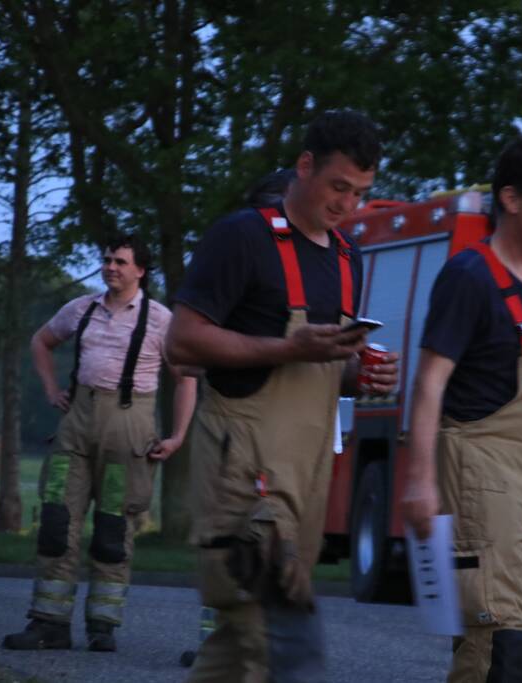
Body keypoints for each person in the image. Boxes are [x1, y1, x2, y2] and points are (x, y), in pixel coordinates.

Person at [165, 110, 399, 682]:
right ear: (304, 167)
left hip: (305, 482)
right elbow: (182, 341)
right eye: (338, 186)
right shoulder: (241, 237)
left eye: (362, 193)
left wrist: (355, 374)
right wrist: (289, 349)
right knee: (289, 652)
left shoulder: (348, 258)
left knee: (234, 651)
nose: (348, 205)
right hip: (246, 479)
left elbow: (319, 364)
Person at [402, 133, 522, 683]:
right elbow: (429, 382)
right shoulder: (469, 276)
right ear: (511, 199)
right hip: (484, 469)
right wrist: (419, 482)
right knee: (501, 639)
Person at [3, 233, 198, 652]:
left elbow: (187, 379)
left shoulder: (162, 319)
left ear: (141, 271)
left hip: (128, 427)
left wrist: (178, 436)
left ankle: (102, 626)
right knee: (56, 522)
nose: (111, 267)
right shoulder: (82, 308)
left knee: (112, 528)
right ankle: (48, 623)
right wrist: (52, 389)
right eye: (107, 259)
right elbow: (41, 340)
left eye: (121, 262)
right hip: (76, 424)